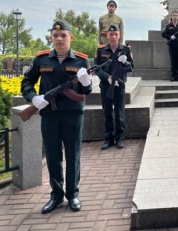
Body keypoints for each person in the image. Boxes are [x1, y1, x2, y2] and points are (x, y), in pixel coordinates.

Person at [21, 20, 93, 214]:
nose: (59, 38)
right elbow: (27, 82)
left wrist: (86, 83)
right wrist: (33, 97)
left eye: (63, 35)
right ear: (51, 37)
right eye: (55, 35)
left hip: (73, 114)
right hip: (50, 115)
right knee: (53, 156)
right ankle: (56, 195)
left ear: (71, 37)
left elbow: (87, 90)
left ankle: (73, 195)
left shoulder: (81, 60)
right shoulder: (42, 59)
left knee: (73, 155)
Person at [94, 24, 134, 150]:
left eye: (116, 34)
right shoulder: (101, 50)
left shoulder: (125, 50)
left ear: (119, 35)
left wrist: (125, 61)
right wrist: (107, 77)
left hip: (119, 85)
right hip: (106, 85)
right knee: (107, 111)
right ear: (107, 35)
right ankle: (108, 138)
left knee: (119, 111)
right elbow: (96, 69)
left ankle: (120, 138)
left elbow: (131, 67)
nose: (113, 37)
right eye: (111, 34)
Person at [161, 9, 178, 81]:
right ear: (171, 17)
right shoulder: (168, 26)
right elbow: (163, 34)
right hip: (172, 45)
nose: (175, 17)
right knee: (173, 61)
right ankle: (173, 76)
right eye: (173, 15)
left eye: (176, 15)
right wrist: (170, 37)